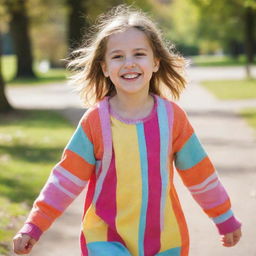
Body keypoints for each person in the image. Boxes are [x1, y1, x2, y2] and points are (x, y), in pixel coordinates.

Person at [13, 5, 242, 256]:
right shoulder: (95, 123)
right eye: (118, 56)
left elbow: (200, 173)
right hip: (106, 239)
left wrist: (224, 217)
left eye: (139, 54)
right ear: (104, 67)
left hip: (165, 240)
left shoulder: (172, 118)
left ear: (155, 62)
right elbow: (64, 180)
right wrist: (33, 226)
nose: (129, 63)